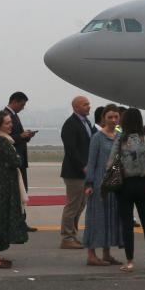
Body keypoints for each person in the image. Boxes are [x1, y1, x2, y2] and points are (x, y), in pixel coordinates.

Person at [114, 108, 145, 272]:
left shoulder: (121, 139)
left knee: (127, 224)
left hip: (125, 185)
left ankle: (130, 261)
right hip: (144, 183)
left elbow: (111, 161)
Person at [0, 110, 29, 268]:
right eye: (8, 123)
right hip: (3, 185)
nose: (11, 125)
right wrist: (17, 157)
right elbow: (16, 161)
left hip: (3, 183)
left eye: (11, 122)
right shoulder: (1, 141)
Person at [82, 105, 123, 265]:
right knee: (96, 218)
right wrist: (89, 183)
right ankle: (91, 254)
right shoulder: (97, 137)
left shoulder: (120, 135)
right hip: (99, 182)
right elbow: (91, 162)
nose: (113, 120)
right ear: (103, 118)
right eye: (110, 117)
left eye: (116, 117)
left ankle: (107, 253)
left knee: (110, 218)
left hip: (115, 183)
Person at [58, 95, 95, 249]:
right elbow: (71, 150)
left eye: (88, 104)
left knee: (80, 205)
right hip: (74, 172)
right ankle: (66, 237)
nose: (89, 106)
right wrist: (82, 166)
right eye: (85, 104)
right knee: (72, 206)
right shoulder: (70, 124)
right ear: (76, 107)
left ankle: (72, 234)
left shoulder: (87, 122)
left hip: (85, 171)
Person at [4, 91, 37, 232]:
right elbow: (6, 138)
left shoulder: (14, 115)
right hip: (15, 161)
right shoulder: (6, 115)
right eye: (22, 105)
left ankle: (20, 222)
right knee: (18, 193)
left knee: (22, 192)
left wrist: (26, 136)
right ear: (14, 102)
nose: (23, 108)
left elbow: (15, 136)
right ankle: (17, 223)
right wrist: (21, 136)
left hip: (20, 160)